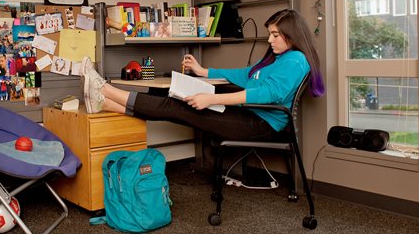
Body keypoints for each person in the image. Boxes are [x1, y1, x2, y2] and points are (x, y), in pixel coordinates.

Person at [81, 9, 324, 142]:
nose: (270, 40)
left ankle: (103, 89)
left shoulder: (296, 60)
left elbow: (269, 94)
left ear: (292, 35)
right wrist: (203, 71)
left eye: (275, 35)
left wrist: (212, 99)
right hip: (249, 114)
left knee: (180, 108)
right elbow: (245, 74)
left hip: (262, 125)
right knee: (176, 104)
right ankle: (104, 102)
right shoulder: (280, 57)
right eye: (270, 34)